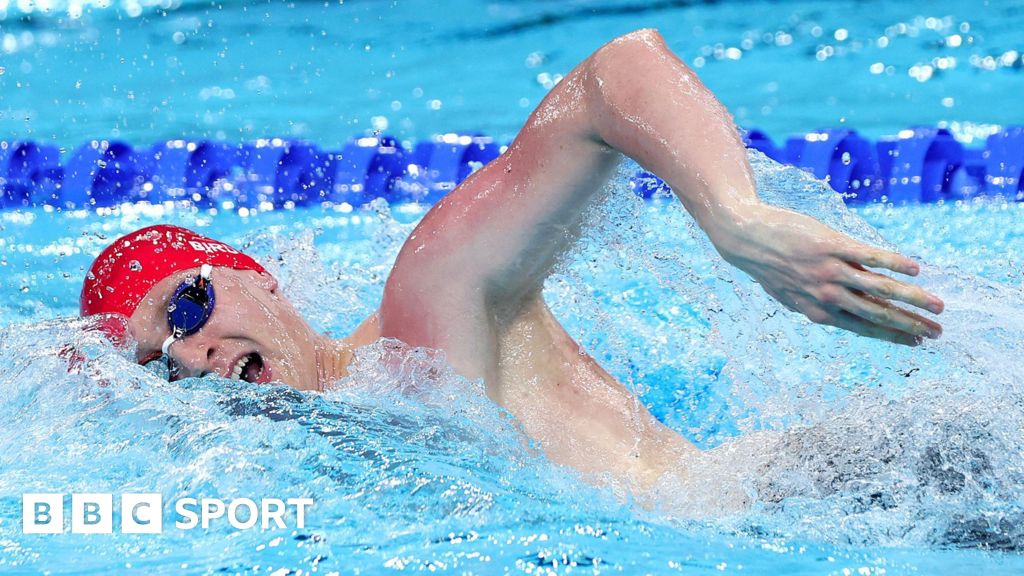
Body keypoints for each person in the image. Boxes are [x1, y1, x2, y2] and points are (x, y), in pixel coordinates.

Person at [80, 29, 944, 500]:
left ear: (257, 277)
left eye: (185, 308)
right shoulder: (348, 449)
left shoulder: (419, 320)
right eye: (160, 370)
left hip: (861, 487)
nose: (190, 358)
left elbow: (614, 75)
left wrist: (735, 216)